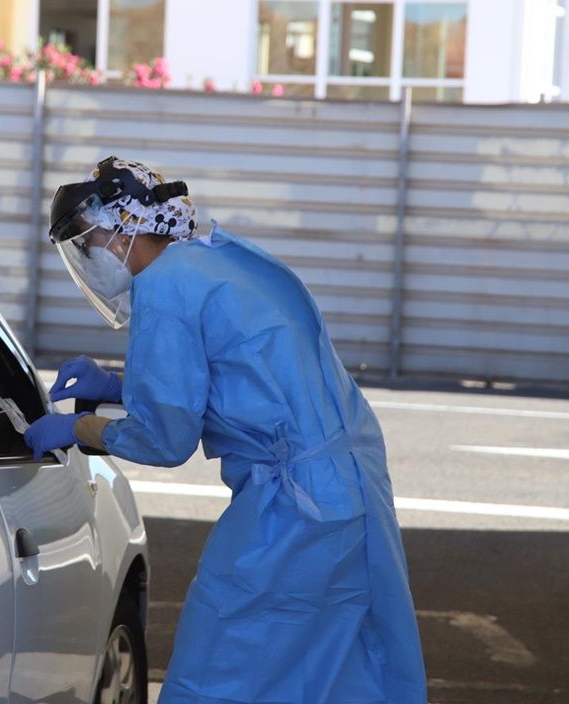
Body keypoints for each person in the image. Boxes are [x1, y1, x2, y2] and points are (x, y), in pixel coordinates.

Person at [24, 157, 426, 703]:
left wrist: (80, 428)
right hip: (351, 488)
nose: (90, 255)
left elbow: (164, 438)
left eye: (89, 239)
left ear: (125, 227)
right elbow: (240, 374)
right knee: (341, 665)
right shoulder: (221, 257)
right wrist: (125, 385)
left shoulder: (163, 288)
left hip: (294, 508)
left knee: (221, 666)